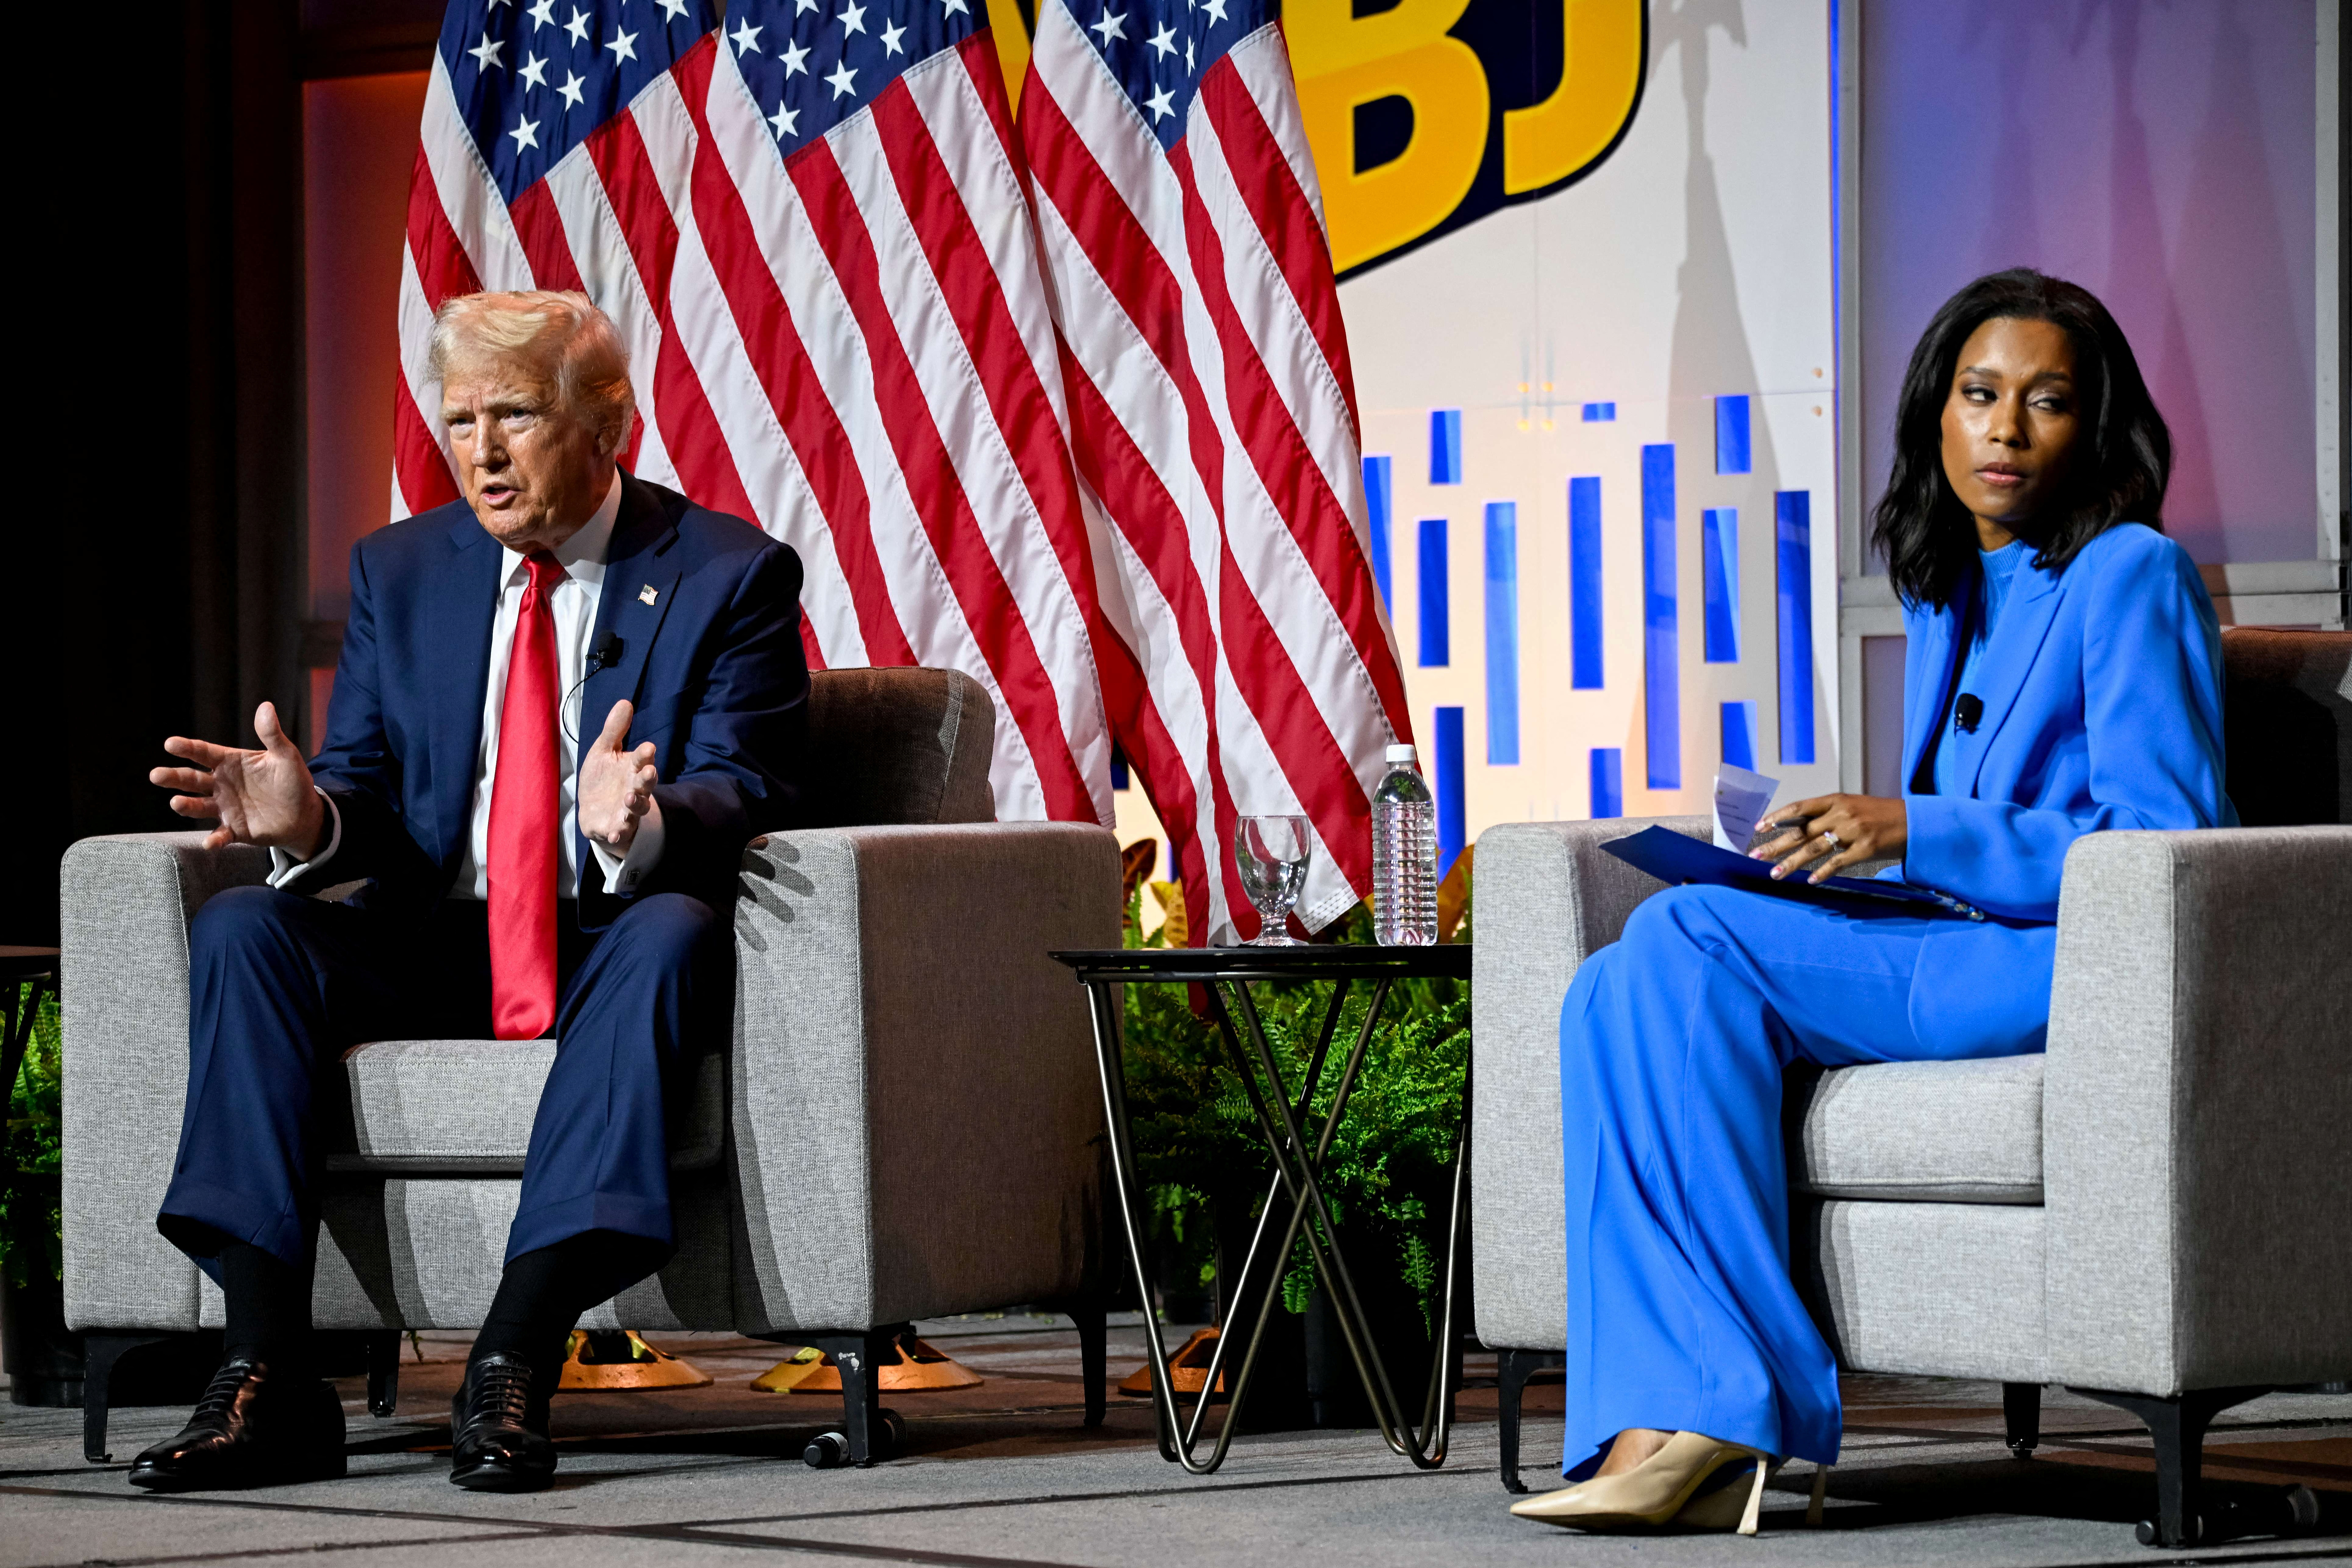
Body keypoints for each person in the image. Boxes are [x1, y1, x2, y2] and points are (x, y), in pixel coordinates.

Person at [1511, 269, 2233, 1534]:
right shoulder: (1946, 585)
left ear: (2095, 428)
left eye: (2047, 402)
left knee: (1679, 934)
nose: (2006, 429)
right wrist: (1831, 841)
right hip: (1938, 938)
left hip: (2052, 960)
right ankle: (1663, 1410)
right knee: (1617, 978)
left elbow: (2167, 839)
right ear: (1936, 417)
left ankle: (1738, 1407)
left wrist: (1918, 827)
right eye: (1980, 395)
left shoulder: (2134, 573)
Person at [129, 291, 809, 1494]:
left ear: (609, 425)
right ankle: (265, 1370)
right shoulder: (404, 568)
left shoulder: (725, 572)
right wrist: (313, 819)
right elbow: (371, 796)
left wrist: (640, 821)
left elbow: (744, 780)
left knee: (667, 931)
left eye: (515, 416)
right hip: (434, 940)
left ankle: (512, 1353)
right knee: (245, 923)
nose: (480, 452)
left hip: (608, 932)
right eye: (460, 422)